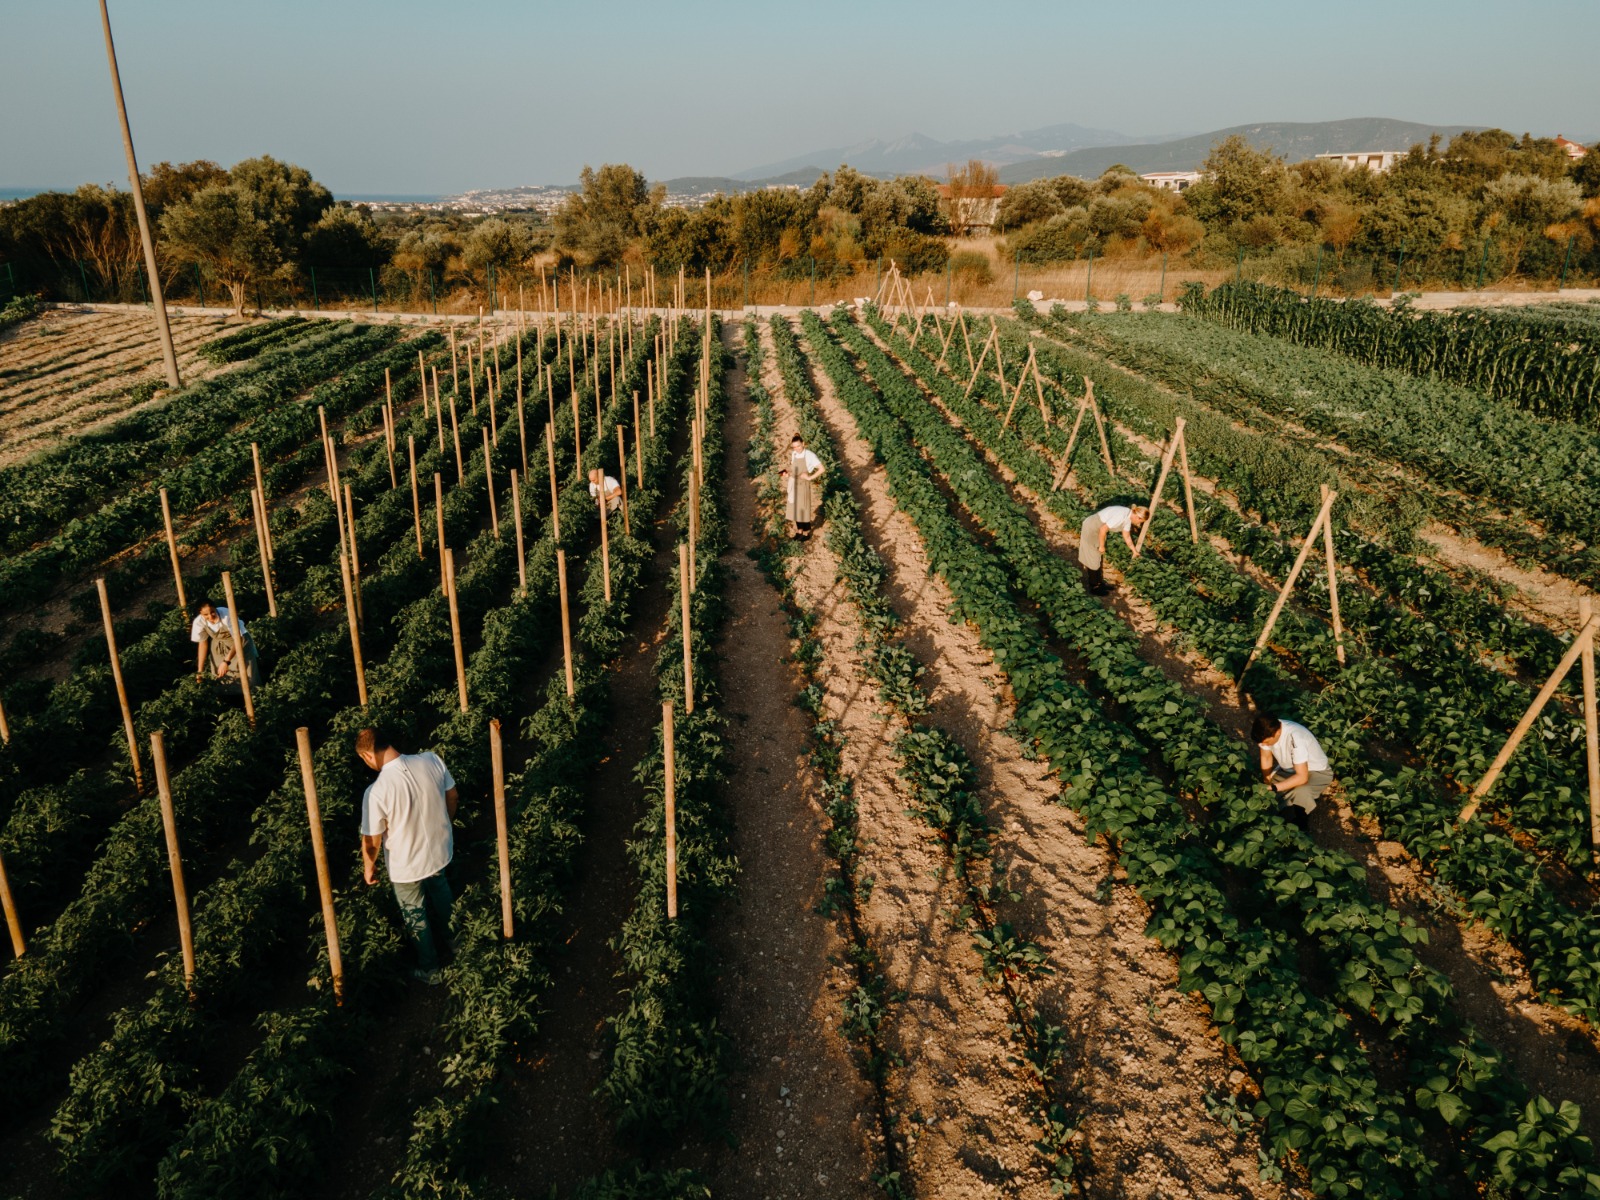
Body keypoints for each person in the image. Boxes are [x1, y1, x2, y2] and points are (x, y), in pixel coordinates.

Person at [357, 727, 459, 984]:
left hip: (407, 865)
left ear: (369, 756)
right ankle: (458, 943)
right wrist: (445, 822)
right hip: (439, 850)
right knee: (441, 890)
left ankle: (431, 969)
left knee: (415, 913)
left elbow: (372, 841)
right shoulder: (431, 759)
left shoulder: (377, 792)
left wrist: (369, 868)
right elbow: (453, 795)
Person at [1252, 713, 1334, 829]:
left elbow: (1302, 777)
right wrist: (1267, 780)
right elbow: (1266, 757)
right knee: (1264, 792)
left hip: (1315, 771)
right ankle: (1275, 817)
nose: (1263, 745)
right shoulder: (1267, 729)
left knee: (1300, 791)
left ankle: (1300, 826)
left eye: (1266, 743)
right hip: (1289, 769)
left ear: (1278, 733)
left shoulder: (1296, 737)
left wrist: (1274, 787)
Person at [190, 598, 262, 690]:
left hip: (239, 642)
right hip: (220, 647)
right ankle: (230, 700)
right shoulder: (199, 622)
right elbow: (202, 644)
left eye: (212, 612)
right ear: (200, 614)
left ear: (215, 608)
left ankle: (252, 698)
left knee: (246, 674)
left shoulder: (226, 614)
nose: (210, 617)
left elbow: (238, 639)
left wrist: (226, 661)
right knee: (223, 677)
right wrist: (200, 671)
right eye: (205, 615)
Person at [1077, 504, 1148, 594]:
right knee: (1093, 557)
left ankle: (1099, 583)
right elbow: (1103, 529)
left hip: (1098, 529)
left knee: (1097, 556)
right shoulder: (1121, 515)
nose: (1139, 524)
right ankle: (1094, 587)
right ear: (1138, 517)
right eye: (1141, 522)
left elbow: (1126, 536)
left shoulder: (1128, 518)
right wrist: (1102, 546)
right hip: (1092, 527)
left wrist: (1134, 551)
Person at [780, 433, 824, 541]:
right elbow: (793, 469)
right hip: (793, 483)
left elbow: (822, 469)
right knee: (795, 509)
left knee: (802, 509)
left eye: (798, 446)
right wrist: (787, 474)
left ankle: (806, 533)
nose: (797, 449)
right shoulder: (794, 454)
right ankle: (799, 531)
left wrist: (810, 478)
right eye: (794, 447)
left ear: (803, 444)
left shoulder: (809, 455)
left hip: (802, 485)